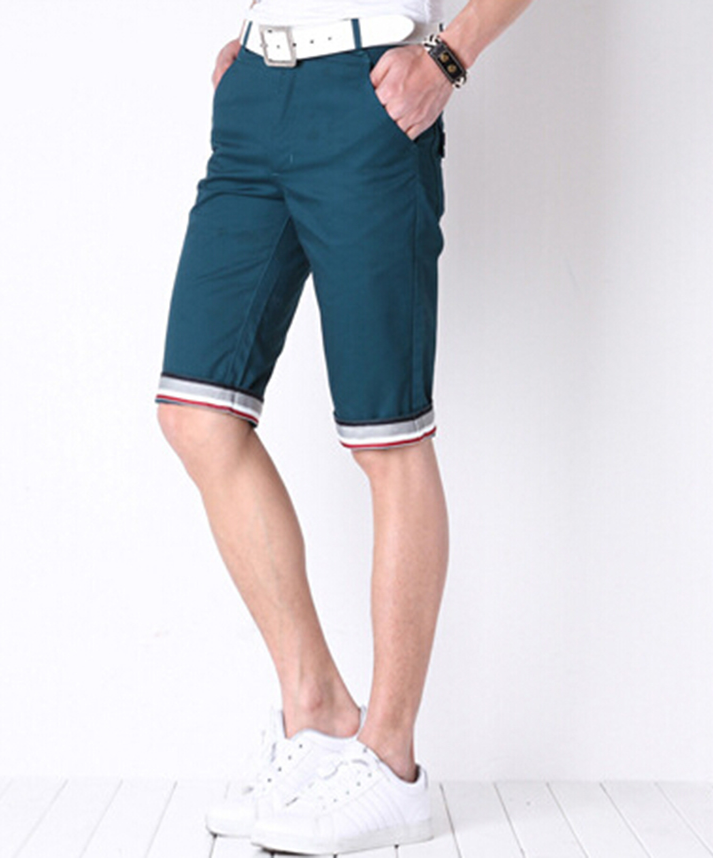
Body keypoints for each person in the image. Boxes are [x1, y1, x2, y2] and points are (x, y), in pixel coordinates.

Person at [155, 0, 533, 852]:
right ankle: (317, 708)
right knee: (195, 412)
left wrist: (449, 57)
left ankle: (392, 762)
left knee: (386, 436)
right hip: (256, 90)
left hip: (370, 90)